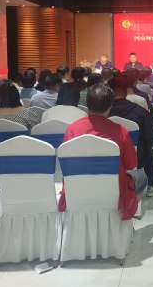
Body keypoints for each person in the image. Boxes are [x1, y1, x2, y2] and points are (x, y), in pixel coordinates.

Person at [58, 83, 146, 220]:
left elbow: (65, 164)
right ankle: (122, 222)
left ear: (87, 104)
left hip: (77, 189)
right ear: (110, 106)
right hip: (113, 192)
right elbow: (131, 164)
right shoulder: (120, 131)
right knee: (142, 177)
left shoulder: (72, 129)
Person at [109, 74, 153, 196]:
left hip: (107, 158)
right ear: (126, 92)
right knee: (149, 153)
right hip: (137, 158)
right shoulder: (140, 112)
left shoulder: (104, 114)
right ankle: (152, 186)